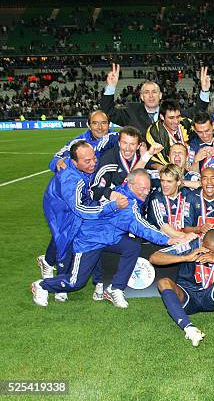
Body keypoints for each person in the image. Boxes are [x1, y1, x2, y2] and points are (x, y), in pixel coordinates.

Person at [32, 169, 191, 308]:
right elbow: (143, 227)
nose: (145, 192)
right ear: (130, 186)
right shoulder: (127, 204)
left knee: (132, 246)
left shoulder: (121, 191)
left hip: (108, 237)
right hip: (89, 241)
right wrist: (169, 240)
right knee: (75, 282)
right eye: (142, 188)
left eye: (148, 189)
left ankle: (115, 289)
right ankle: (42, 285)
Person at [38, 141, 128, 303]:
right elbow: (79, 209)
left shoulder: (85, 162)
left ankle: (85, 279)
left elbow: (111, 137)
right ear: (74, 162)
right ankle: (52, 281)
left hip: (74, 204)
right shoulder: (70, 180)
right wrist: (110, 207)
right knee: (65, 240)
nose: (93, 162)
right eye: (87, 161)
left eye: (94, 158)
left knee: (85, 236)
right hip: (61, 210)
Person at [149, 229, 214, 346]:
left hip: (212, 296)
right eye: (207, 249)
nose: (210, 253)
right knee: (163, 282)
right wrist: (185, 258)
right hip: (187, 296)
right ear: (202, 242)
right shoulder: (189, 245)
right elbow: (154, 258)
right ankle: (189, 329)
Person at [101, 63, 211, 136]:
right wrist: (111, 87)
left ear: (160, 96)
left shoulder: (171, 112)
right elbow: (108, 112)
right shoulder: (131, 111)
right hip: (140, 164)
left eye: (154, 92)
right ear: (141, 97)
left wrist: (205, 90)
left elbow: (197, 112)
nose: (151, 96)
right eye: (146, 92)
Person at [91, 126, 163, 201]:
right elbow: (96, 191)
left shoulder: (141, 155)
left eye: (132, 144)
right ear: (119, 143)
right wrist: (112, 194)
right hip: (116, 205)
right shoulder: (108, 161)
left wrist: (159, 167)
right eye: (124, 143)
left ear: (138, 146)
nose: (127, 148)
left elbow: (150, 165)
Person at [49, 110, 118, 173]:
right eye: (95, 123)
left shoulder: (119, 139)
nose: (100, 127)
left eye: (104, 123)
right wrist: (58, 162)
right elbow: (55, 159)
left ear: (109, 125)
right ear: (89, 126)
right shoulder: (78, 142)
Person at [147, 164, 197, 238]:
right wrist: (185, 236)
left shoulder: (186, 194)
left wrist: (184, 183)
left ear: (178, 182)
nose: (164, 185)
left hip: (183, 241)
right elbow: (163, 226)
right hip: (161, 243)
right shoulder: (156, 198)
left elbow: (206, 186)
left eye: (169, 181)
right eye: (162, 181)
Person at [183, 168, 214, 237]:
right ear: (200, 182)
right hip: (196, 243)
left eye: (213, 178)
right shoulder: (191, 197)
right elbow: (185, 228)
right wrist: (199, 229)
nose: (209, 182)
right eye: (205, 178)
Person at [145, 99, 193, 169]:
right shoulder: (154, 132)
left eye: (178, 116)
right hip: (167, 171)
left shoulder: (186, 123)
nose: (176, 121)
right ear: (162, 117)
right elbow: (157, 161)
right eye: (171, 118)